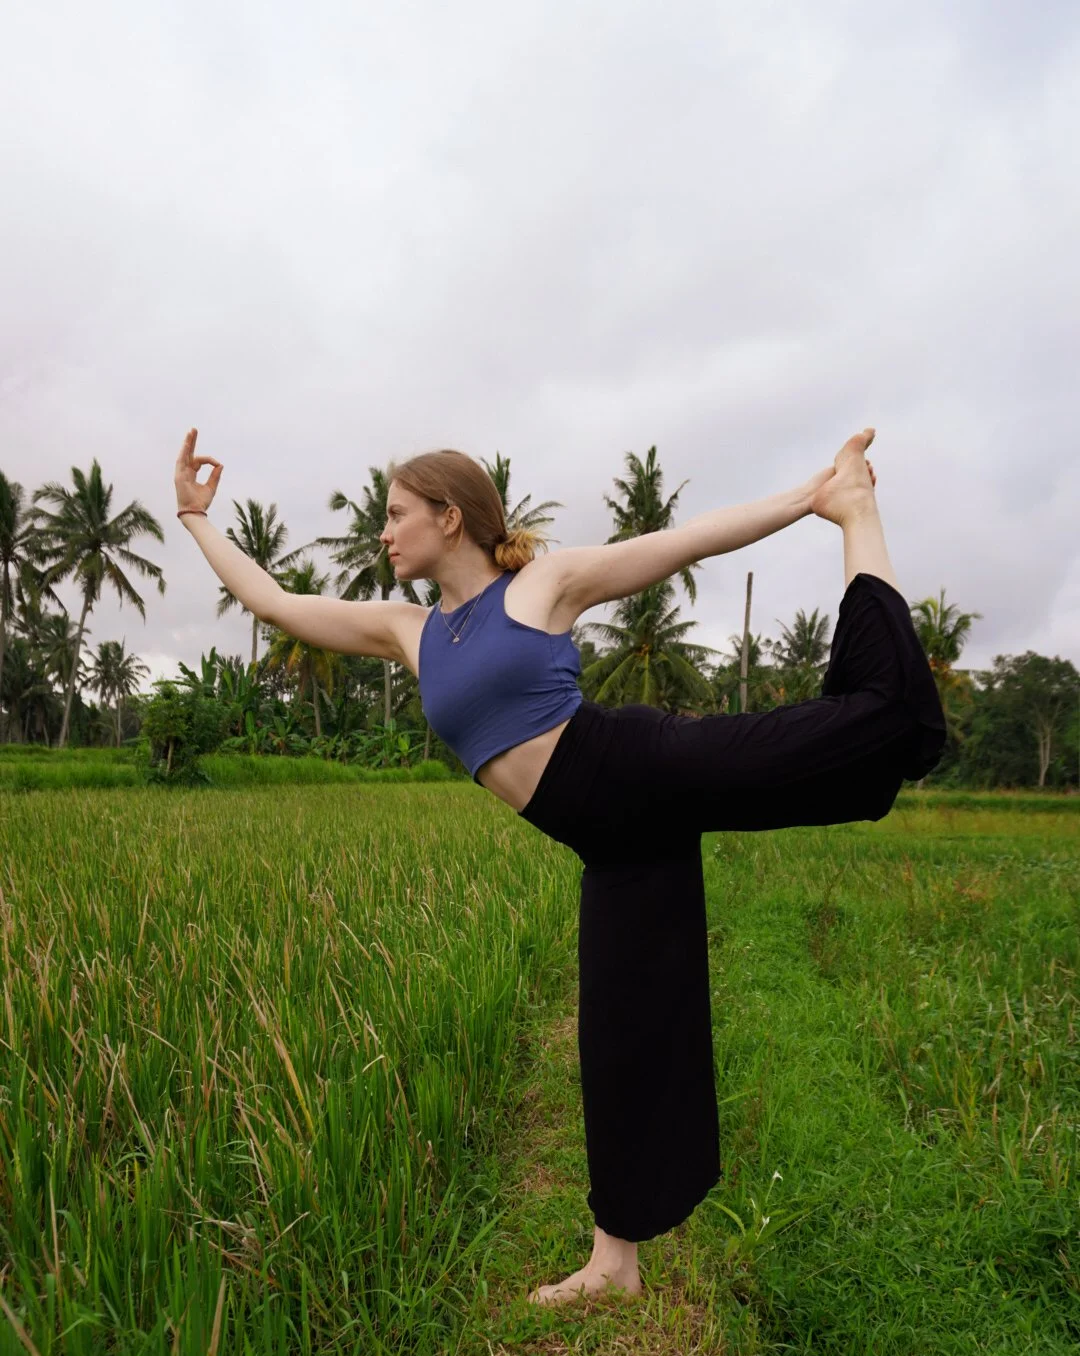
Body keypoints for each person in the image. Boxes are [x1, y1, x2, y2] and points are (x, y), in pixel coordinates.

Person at [174, 426, 946, 1306]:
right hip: (611, 842)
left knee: (867, 729)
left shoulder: (539, 586)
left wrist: (811, 498)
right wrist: (196, 518)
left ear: (448, 517)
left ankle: (857, 513)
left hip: (643, 768)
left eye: (394, 515)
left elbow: (687, 540)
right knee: (619, 1034)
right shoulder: (407, 631)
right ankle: (614, 1264)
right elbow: (273, 602)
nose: (381, 533)